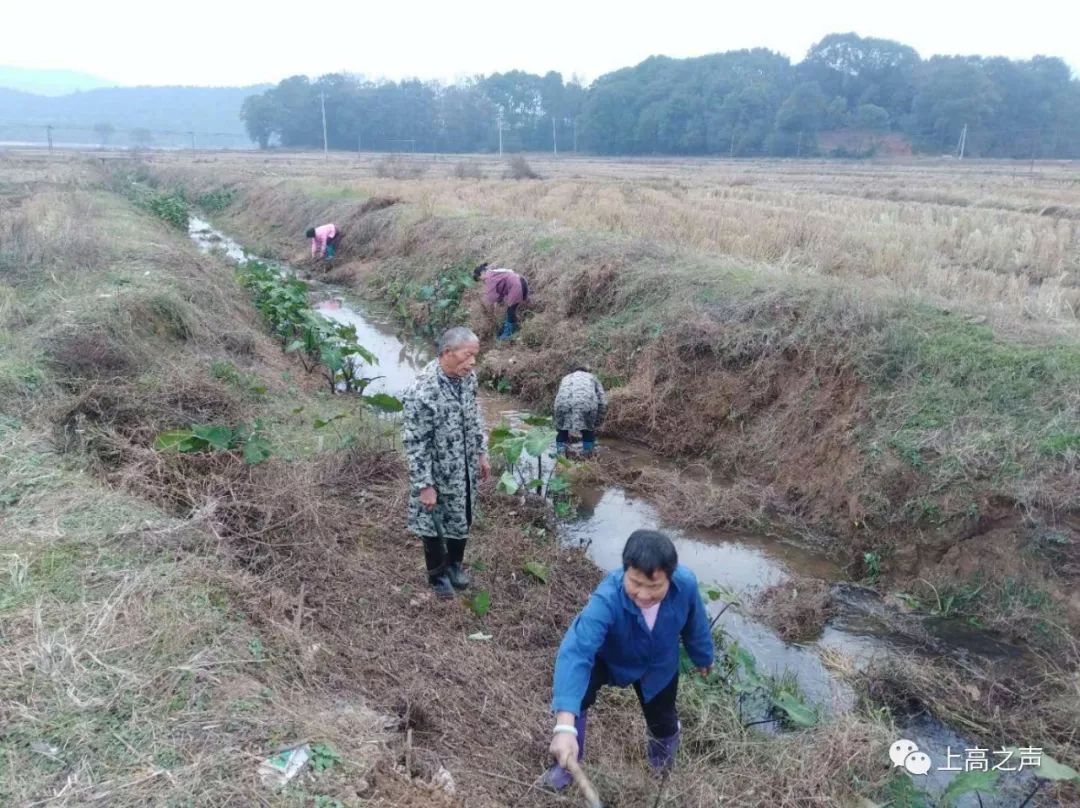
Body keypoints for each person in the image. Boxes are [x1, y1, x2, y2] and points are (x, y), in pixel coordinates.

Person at [542, 530, 714, 790]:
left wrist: (703, 656)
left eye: (654, 586)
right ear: (625, 571)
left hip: (657, 666)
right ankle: (568, 762)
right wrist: (564, 727)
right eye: (635, 583)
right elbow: (577, 650)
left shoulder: (686, 585)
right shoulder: (608, 598)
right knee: (579, 696)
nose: (644, 595)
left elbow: (695, 623)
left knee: (663, 722)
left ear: (670, 576)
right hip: (610, 658)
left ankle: (661, 768)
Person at [402, 326, 491, 597]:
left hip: (463, 466)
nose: (473, 362)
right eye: (468, 355)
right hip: (438, 471)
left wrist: (481, 452)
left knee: (462, 514)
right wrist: (424, 485)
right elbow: (415, 443)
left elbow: (475, 417)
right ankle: (437, 576)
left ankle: (454, 565)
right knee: (433, 523)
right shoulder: (423, 389)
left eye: (475, 355)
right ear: (447, 353)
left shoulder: (467, 378)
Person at [554, 363, 608, 458]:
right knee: (587, 430)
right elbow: (603, 401)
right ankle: (588, 458)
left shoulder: (565, 378)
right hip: (585, 403)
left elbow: (560, 395)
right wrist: (597, 422)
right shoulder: (592, 377)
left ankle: (561, 458)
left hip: (561, 404)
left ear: (574, 371)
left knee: (562, 430)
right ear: (586, 371)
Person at [473, 263, 529, 340]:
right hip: (521, 281)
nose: (482, 281)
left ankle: (509, 332)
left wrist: (491, 308)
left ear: (482, 273)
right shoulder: (492, 272)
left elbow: (491, 296)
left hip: (516, 286)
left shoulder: (489, 277)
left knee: (510, 310)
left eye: (480, 278)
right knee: (511, 309)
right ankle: (513, 326)